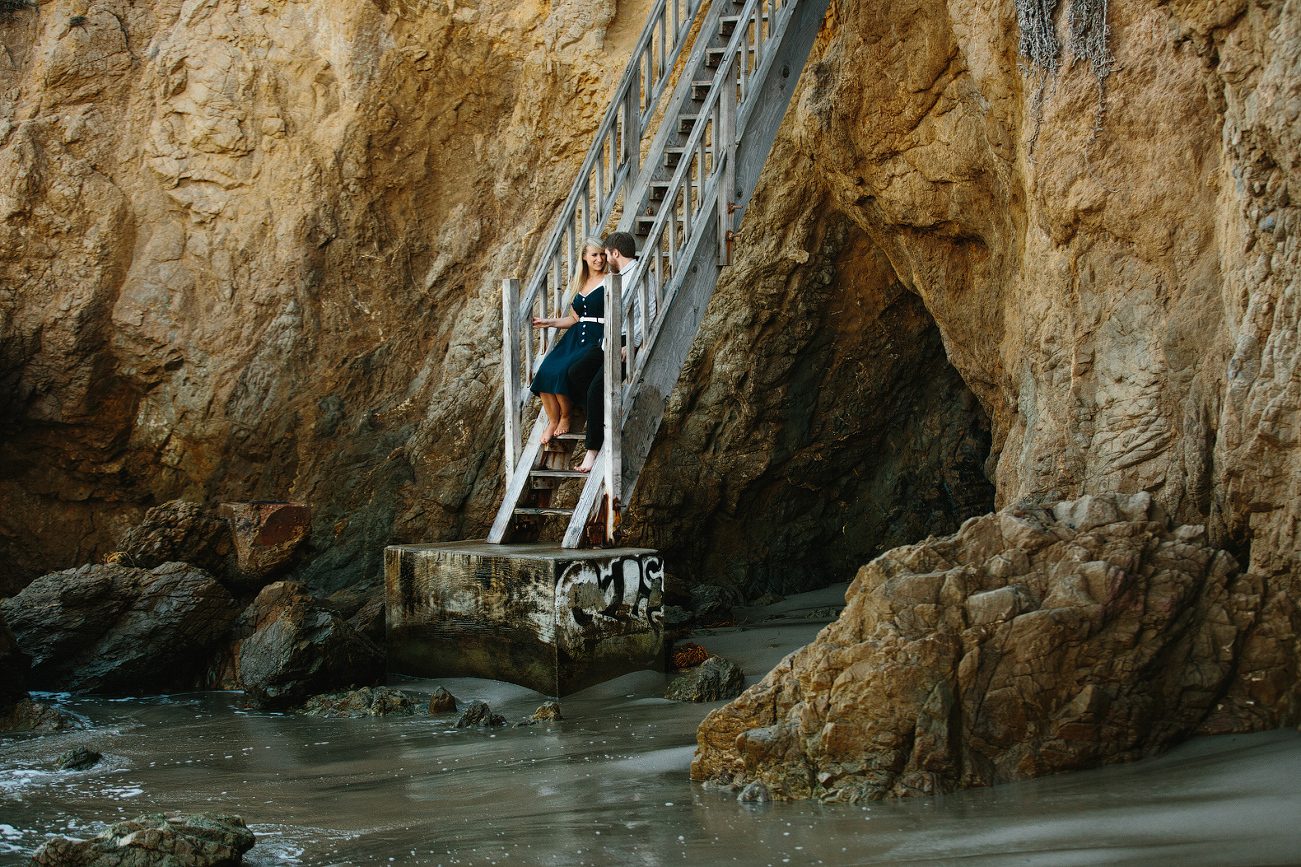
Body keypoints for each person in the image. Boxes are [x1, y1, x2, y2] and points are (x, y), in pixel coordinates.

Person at [567, 231, 657, 473]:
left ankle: (592, 451)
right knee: (576, 372)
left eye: (607, 254)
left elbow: (650, 311)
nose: (605, 260)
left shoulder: (639, 275)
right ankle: (606, 411)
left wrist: (633, 343)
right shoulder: (618, 276)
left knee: (597, 389)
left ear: (615, 253)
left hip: (627, 343)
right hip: (610, 341)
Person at [529, 238, 609, 444]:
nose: (599, 259)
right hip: (574, 338)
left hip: (596, 336)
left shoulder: (610, 279)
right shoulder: (580, 281)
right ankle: (553, 421)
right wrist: (549, 322)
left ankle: (566, 416)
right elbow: (574, 318)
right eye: (594, 255)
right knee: (546, 370)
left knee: (564, 372)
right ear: (584, 257)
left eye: (602, 254)